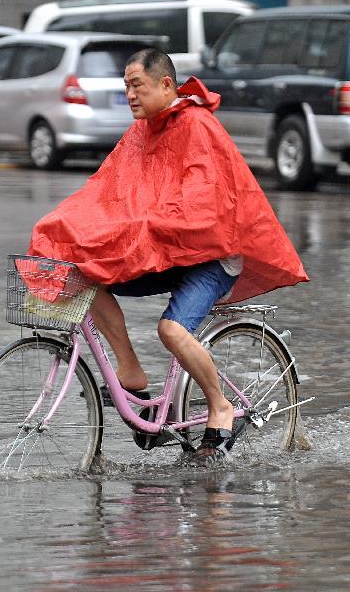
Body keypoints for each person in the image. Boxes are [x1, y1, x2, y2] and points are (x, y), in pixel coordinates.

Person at [29, 48, 308, 458]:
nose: (129, 95)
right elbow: (106, 191)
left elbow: (203, 204)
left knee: (172, 330)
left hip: (212, 256)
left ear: (165, 84)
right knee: (88, 277)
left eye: (136, 85)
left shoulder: (198, 127)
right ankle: (130, 369)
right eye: (125, 86)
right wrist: (64, 225)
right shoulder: (141, 132)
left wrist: (147, 227)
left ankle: (221, 406)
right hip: (168, 252)